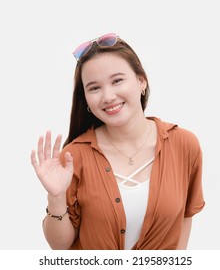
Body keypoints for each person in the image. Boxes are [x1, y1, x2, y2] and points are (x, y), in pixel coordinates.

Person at [31, 33, 205, 250]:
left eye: (117, 81)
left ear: (141, 81)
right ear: (85, 98)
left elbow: (185, 219)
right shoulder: (74, 156)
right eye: (94, 88)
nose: (108, 96)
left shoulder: (184, 144)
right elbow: (60, 246)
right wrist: (56, 198)